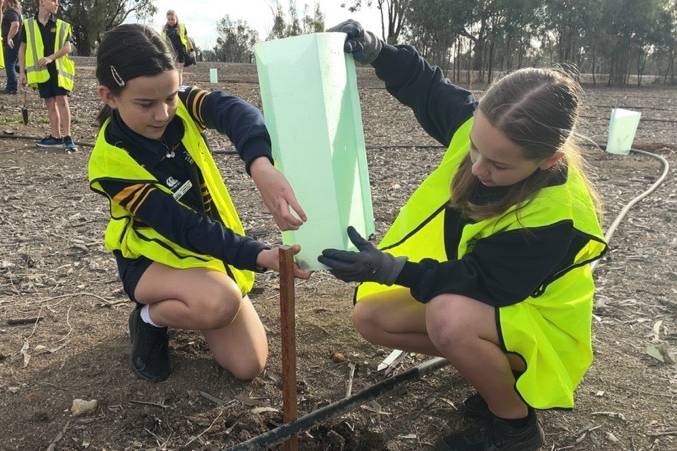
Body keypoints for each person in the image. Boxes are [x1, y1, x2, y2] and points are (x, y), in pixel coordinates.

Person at [319, 20, 607, 450]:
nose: (477, 168)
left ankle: (514, 424)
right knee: (372, 316)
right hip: (495, 308)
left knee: (448, 319)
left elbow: (480, 282)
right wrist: (380, 51)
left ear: (547, 161)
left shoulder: (554, 216)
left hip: (542, 329)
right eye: (475, 146)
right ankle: (492, 373)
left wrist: (393, 269)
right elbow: (428, 89)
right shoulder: (484, 135)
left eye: (499, 165)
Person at [88, 24, 309, 383]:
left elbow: (236, 111)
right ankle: (149, 320)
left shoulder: (181, 105)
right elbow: (182, 226)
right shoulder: (110, 163)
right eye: (146, 104)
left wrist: (260, 165)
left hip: (206, 254)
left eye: (170, 97)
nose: (163, 114)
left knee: (248, 364)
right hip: (151, 261)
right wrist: (259, 255)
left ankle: (198, 299)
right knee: (220, 301)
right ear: (109, 96)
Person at [18, 0, 76, 151]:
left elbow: (68, 47)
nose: (57, 4)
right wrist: (22, 72)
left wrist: (51, 57)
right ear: (42, 2)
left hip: (57, 70)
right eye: (53, 1)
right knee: (50, 103)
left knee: (62, 101)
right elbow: (22, 49)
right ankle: (56, 136)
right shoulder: (28, 24)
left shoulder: (61, 25)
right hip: (40, 72)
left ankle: (68, 137)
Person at [162, 9, 193, 81]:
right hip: (171, 54)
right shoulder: (164, 29)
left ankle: (179, 88)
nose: (171, 21)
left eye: (172, 19)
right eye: (169, 19)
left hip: (181, 52)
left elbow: (187, 39)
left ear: (176, 18)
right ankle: (172, 87)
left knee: (179, 72)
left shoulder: (181, 27)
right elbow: (162, 41)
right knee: (171, 72)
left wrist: (192, 50)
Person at [2, 0, 22, 94]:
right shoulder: (15, 10)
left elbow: (15, 24)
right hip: (16, 42)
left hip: (12, 43)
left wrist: (9, 37)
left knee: (9, 64)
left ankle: (12, 88)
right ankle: (29, 75)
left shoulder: (11, 11)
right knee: (16, 65)